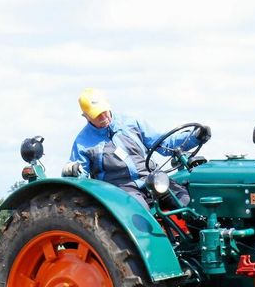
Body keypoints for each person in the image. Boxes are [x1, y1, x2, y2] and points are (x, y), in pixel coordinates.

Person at [63, 88, 211, 206]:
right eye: (97, 115)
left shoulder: (131, 123)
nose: (104, 118)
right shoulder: (83, 142)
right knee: (140, 216)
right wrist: (72, 171)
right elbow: (80, 175)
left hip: (152, 179)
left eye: (104, 112)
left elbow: (164, 145)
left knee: (187, 202)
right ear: (86, 116)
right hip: (120, 188)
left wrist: (194, 137)